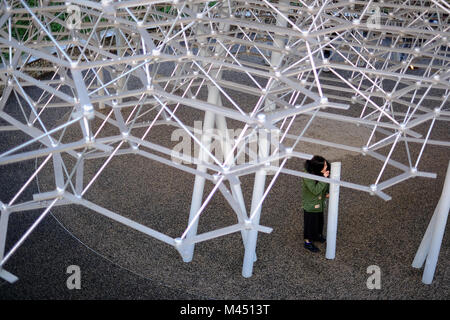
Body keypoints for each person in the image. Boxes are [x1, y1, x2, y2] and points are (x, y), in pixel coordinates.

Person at [301, 156, 330, 253]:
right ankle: (307, 242)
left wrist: (327, 191)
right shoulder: (308, 176)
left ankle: (317, 235)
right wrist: (324, 179)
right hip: (311, 205)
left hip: (319, 203)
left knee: (319, 221)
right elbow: (315, 190)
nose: (326, 168)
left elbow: (327, 184)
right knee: (310, 224)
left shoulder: (320, 172)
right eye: (324, 166)